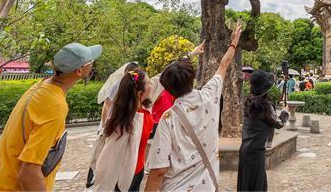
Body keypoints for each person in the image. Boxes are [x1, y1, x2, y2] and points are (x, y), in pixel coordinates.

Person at [0, 42, 102, 191]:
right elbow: (29, 173)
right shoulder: (54, 106)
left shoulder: (40, 87)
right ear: (79, 71)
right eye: (90, 61)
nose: (92, 63)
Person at [144, 23, 242, 192]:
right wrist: (234, 42)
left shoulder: (168, 119)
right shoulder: (209, 96)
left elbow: (159, 170)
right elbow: (223, 65)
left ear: (167, 88)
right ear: (192, 77)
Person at [93, 67, 153, 191]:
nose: (152, 84)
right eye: (148, 83)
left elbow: (162, 79)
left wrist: (191, 54)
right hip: (123, 178)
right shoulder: (125, 123)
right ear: (139, 93)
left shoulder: (140, 114)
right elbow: (109, 157)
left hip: (137, 171)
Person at [236, 71, 289, 191]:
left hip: (245, 149)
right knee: (257, 185)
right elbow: (278, 123)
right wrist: (285, 112)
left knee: (246, 183)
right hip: (256, 151)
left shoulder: (249, 101)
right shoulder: (265, 105)